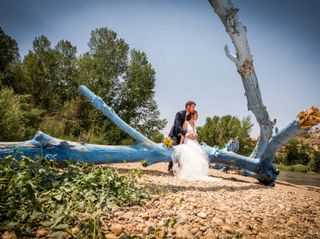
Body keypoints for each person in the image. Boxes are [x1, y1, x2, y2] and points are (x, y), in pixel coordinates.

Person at [171, 111, 222, 182]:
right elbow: (183, 134)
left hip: (195, 142)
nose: (197, 117)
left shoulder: (194, 124)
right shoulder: (186, 123)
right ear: (192, 115)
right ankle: (189, 172)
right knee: (191, 156)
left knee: (200, 157)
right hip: (188, 142)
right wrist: (181, 143)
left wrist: (196, 136)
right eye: (196, 115)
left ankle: (197, 173)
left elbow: (194, 133)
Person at [168, 101, 197, 173]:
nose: (194, 109)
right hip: (175, 135)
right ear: (188, 106)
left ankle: (181, 168)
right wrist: (186, 134)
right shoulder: (179, 114)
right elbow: (177, 126)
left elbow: (190, 125)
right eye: (193, 107)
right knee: (175, 149)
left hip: (184, 137)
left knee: (184, 151)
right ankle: (170, 167)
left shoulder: (190, 115)